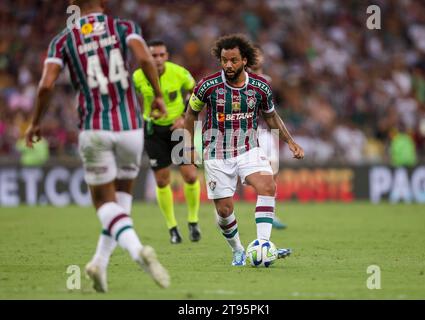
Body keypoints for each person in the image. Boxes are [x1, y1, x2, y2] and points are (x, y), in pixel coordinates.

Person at [25, 0, 170, 292]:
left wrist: (35, 121)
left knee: (104, 203)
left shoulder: (63, 40)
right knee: (121, 201)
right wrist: (157, 95)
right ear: (103, 3)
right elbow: (144, 60)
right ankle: (98, 264)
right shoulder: (124, 27)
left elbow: (46, 85)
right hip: (130, 126)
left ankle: (138, 250)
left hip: (94, 127)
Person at [184, 34, 304, 266]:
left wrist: (290, 141)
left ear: (245, 61)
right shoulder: (207, 86)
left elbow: (271, 117)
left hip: (248, 148)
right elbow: (190, 113)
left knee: (267, 185)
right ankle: (238, 249)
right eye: (224, 60)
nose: (228, 65)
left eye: (234, 60)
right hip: (216, 154)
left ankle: (263, 244)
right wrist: (188, 145)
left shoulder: (260, 86)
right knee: (225, 210)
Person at [133, 40, 201, 244]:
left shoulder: (179, 73)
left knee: (190, 175)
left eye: (161, 55)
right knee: (162, 180)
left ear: (167, 56)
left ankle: (193, 221)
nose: (158, 59)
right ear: (147, 57)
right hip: (154, 131)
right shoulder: (137, 76)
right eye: (154, 55)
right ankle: (172, 227)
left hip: (177, 129)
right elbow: (136, 98)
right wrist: (146, 112)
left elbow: (196, 93)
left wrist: (183, 117)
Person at [251, 46, 287, 230]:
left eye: (258, 55)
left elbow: (270, 110)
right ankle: (222, 214)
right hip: (248, 131)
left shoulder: (268, 81)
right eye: (253, 55)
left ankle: (270, 212)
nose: (256, 58)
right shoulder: (243, 80)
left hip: (265, 132)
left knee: (273, 172)